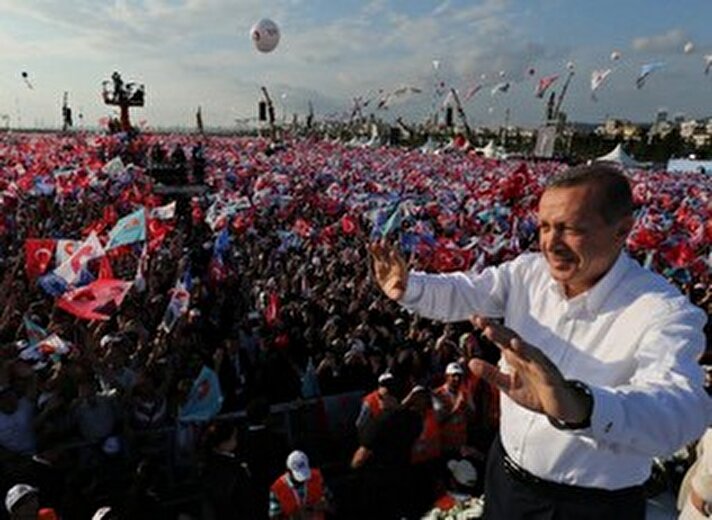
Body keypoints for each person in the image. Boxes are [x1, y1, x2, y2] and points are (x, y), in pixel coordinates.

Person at [370, 164, 711, 519]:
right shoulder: (528, 273)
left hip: (588, 507)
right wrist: (411, 288)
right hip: (506, 478)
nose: (551, 243)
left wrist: (581, 406)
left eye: (570, 228)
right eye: (545, 227)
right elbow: (466, 292)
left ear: (622, 229)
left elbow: (681, 410)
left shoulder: (662, 311)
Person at [268, 450, 332, 519]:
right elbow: (274, 517)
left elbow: (333, 504)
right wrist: (295, 516)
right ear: (289, 471)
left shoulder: (317, 477)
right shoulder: (278, 488)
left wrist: (325, 505)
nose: (303, 480)